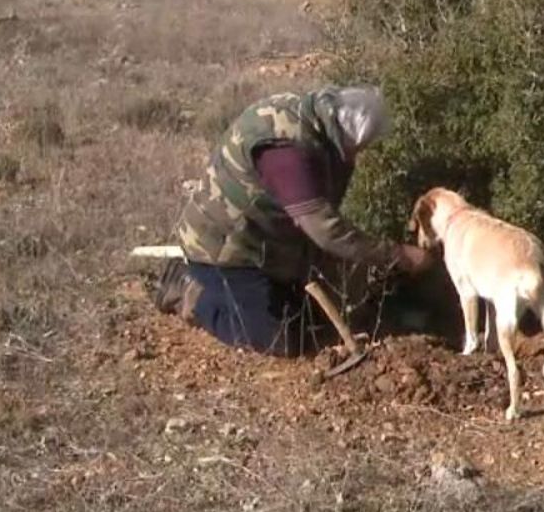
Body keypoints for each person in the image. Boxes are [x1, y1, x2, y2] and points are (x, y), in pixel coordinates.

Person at [153, 85, 431, 355]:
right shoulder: (287, 151)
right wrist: (399, 256)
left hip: (265, 242)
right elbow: (324, 230)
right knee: (280, 339)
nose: (360, 153)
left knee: (315, 317)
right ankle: (187, 288)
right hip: (224, 251)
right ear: (354, 135)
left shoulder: (317, 122)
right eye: (362, 146)